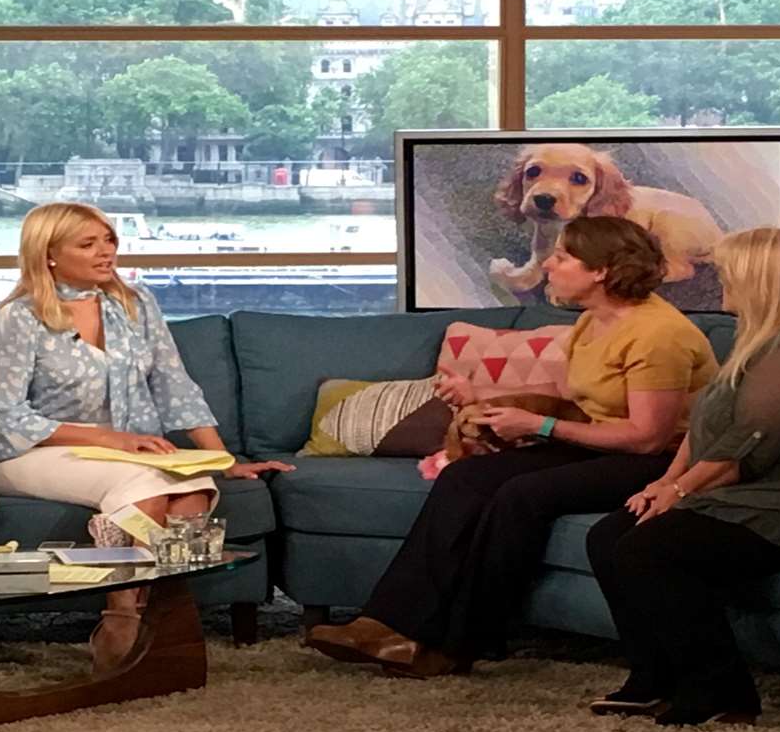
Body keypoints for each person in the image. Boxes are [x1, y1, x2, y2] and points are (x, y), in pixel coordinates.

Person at [305, 215, 718, 677]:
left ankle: (459, 643)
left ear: (600, 270)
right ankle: (386, 624)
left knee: (521, 496)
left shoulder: (660, 334)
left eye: (563, 257)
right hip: (602, 444)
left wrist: (539, 425)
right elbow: (570, 392)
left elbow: (646, 437)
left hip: (659, 462)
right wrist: (481, 394)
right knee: (465, 478)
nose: (549, 265)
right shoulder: (593, 323)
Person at [584, 226, 780, 725]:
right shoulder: (758, 342)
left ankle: (721, 693)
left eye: (730, 270)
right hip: (762, 489)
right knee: (610, 536)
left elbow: (746, 445)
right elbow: (707, 428)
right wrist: (665, 483)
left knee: (652, 549)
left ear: (765, 280)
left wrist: (682, 492)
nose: (720, 279)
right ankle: (653, 679)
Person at [0, 202, 292, 672]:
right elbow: (4, 415)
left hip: (124, 451)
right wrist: (107, 439)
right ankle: (119, 616)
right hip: (27, 449)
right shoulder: (19, 318)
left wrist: (221, 460)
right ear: (49, 255)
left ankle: (156, 616)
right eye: (88, 244)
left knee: (193, 489)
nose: (106, 253)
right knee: (143, 483)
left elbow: (173, 384)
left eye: (109, 241)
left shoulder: (135, 304)